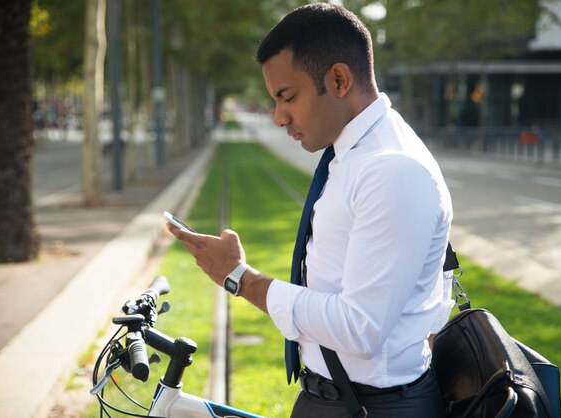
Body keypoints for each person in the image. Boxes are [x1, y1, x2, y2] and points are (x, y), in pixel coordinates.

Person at [167, 4, 453, 417]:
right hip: (339, 398)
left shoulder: (392, 169)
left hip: (373, 407)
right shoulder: (354, 153)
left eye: (287, 97)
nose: (279, 117)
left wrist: (241, 279)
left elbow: (361, 327)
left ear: (338, 79)